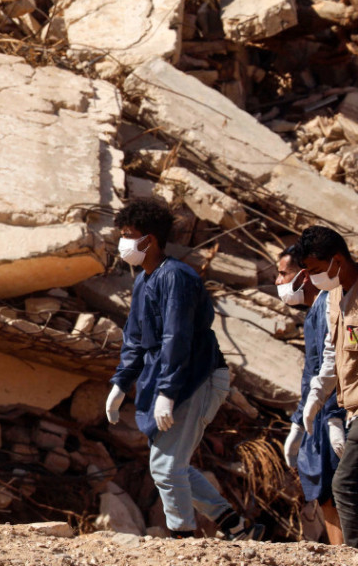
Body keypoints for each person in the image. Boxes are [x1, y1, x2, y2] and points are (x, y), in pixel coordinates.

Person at [104, 198, 262, 540]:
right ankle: (235, 526)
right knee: (171, 464)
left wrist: (167, 393)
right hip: (173, 378)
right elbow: (135, 337)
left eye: (129, 235)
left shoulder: (176, 277)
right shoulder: (144, 281)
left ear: (150, 240)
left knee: (164, 466)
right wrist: (120, 383)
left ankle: (184, 540)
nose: (123, 243)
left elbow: (178, 338)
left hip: (195, 379)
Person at [278, 244, 345, 544]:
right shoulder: (314, 313)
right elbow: (312, 375)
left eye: (283, 273)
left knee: (334, 490)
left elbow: (334, 369)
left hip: (332, 411)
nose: (278, 282)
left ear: (303, 276)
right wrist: (296, 421)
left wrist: (333, 417)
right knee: (326, 491)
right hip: (319, 412)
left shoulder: (327, 309)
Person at [296, 225, 358, 546]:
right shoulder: (335, 296)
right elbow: (333, 355)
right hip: (351, 410)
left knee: (344, 484)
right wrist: (319, 399)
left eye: (317, 270)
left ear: (337, 261)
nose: (313, 279)